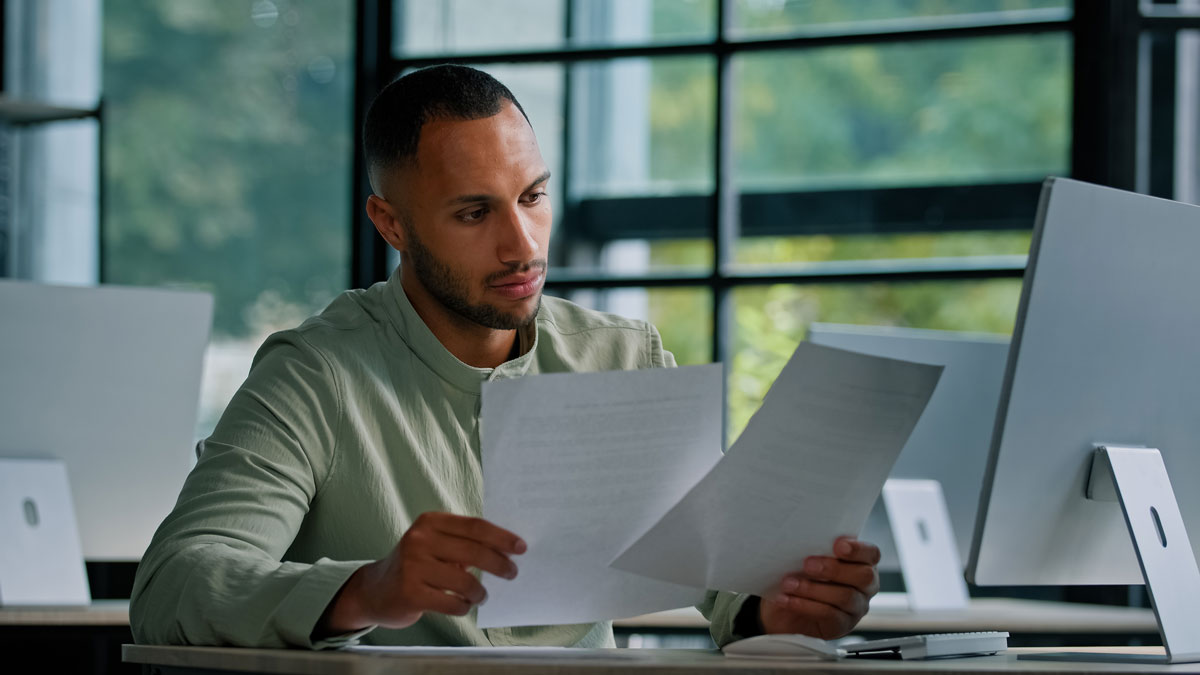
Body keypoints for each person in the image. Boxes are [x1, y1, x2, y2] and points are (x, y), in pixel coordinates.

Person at [130, 64, 881, 650]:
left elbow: (724, 585)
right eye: (473, 211)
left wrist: (775, 606)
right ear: (391, 222)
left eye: (532, 197)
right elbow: (171, 585)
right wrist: (367, 586)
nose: (523, 244)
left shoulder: (624, 356)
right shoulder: (315, 373)